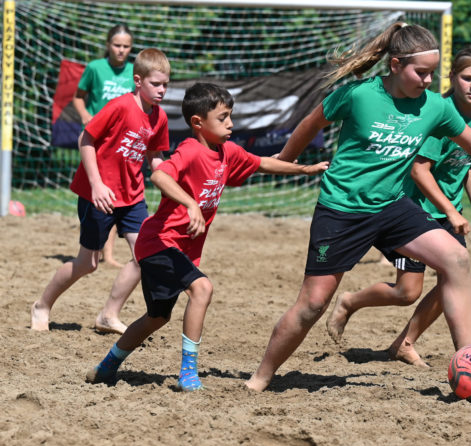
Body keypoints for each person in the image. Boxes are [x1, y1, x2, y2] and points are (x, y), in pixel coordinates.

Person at [245, 23, 471, 392]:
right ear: (395, 65)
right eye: (421, 72)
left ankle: (470, 358)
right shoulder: (359, 95)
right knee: (313, 304)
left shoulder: (436, 106)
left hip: (393, 207)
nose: (428, 81)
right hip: (342, 210)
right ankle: (261, 376)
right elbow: (312, 122)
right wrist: (286, 159)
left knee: (456, 259)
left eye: (433, 73)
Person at [86, 82, 329, 391]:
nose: (230, 123)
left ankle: (107, 366)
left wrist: (305, 170)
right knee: (202, 289)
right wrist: (190, 204)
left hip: (177, 250)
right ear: (198, 123)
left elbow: (261, 163)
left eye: (231, 116)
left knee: (156, 318)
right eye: (223, 117)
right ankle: (188, 373)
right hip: (159, 243)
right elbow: (159, 174)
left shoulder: (227, 152)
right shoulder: (189, 150)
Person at [325, 46, 471, 367]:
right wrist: (450, 211)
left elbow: (467, 162)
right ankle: (350, 301)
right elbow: (419, 171)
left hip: (449, 213)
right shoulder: (437, 112)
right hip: (418, 212)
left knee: (452, 276)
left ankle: (406, 343)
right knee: (407, 293)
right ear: (452, 77)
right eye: (467, 77)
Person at [31, 48, 171, 334]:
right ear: (138, 80)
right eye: (156, 84)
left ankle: (108, 315)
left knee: (145, 255)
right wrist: (96, 184)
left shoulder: (160, 117)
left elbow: (155, 157)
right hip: (100, 195)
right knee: (88, 263)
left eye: (166, 84)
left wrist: (175, 184)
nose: (162, 90)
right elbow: (86, 139)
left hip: (132, 197)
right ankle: (42, 306)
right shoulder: (120, 106)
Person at [73, 24, 135, 269]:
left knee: (116, 195)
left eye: (126, 46)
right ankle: (92, 247)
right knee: (92, 192)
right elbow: (79, 96)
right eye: (117, 45)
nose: (121, 50)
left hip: (121, 144)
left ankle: (107, 255)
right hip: (95, 141)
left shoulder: (135, 72)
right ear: (108, 45)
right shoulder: (95, 68)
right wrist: (85, 115)